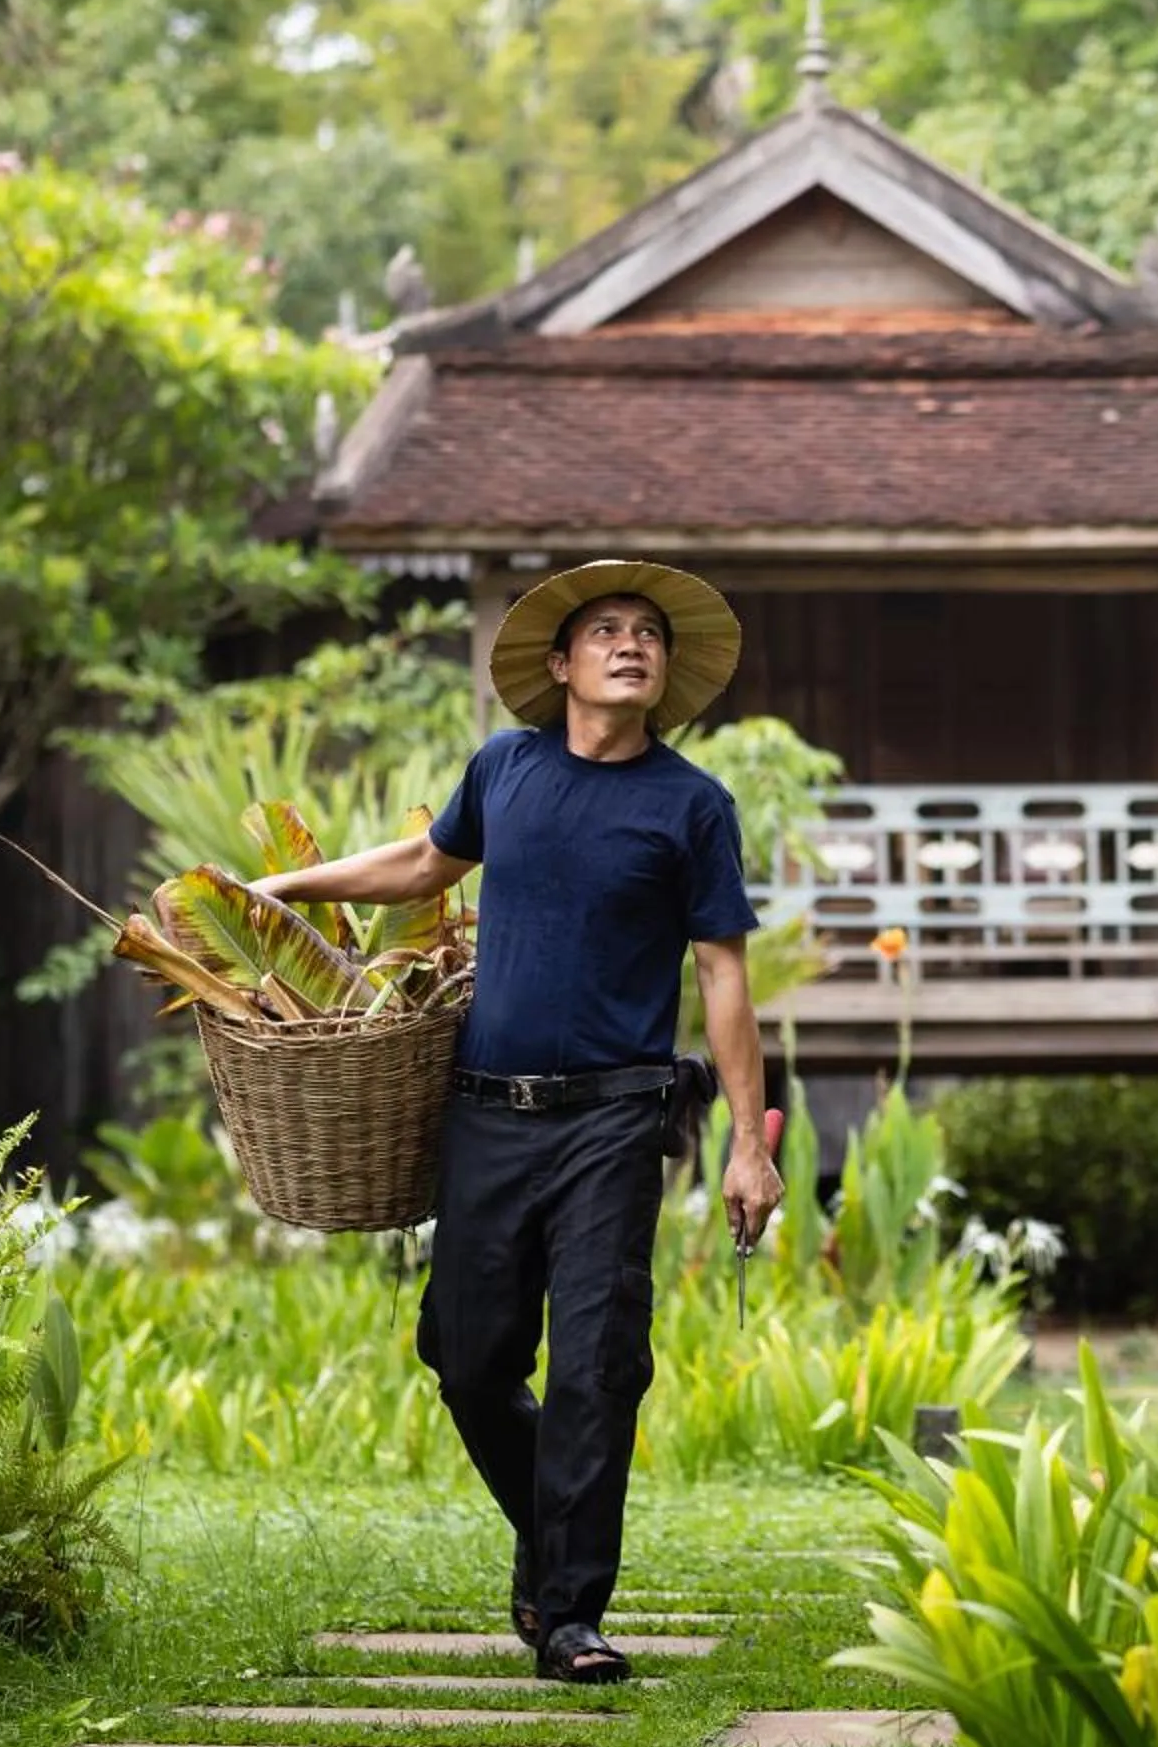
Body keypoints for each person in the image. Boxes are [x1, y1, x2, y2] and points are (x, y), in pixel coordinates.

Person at [251, 560, 783, 1685]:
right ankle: (552, 1538)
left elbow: (725, 976)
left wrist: (747, 1141)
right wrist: (288, 891)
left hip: (615, 1116)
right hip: (487, 1112)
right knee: (467, 1355)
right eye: (607, 631)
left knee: (598, 1361)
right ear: (560, 664)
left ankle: (574, 1611)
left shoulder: (692, 805)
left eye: (648, 633)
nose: (632, 643)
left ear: (663, 670)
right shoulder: (505, 768)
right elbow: (423, 862)